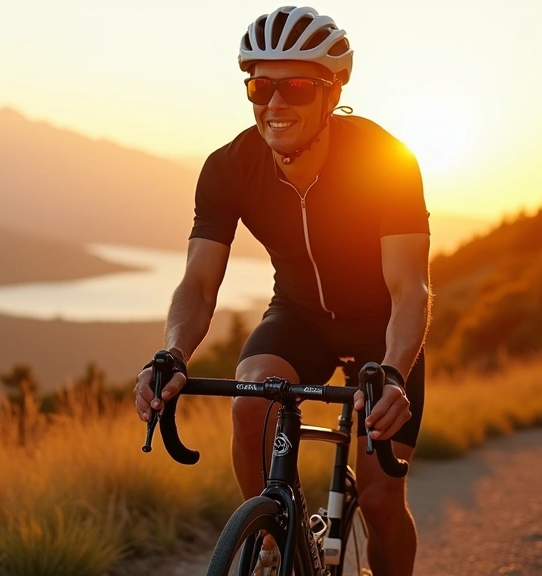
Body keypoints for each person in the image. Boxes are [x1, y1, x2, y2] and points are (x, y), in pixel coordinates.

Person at [133, 6, 430, 575]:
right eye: (260, 86)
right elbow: (198, 283)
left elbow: (409, 286)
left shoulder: (385, 160)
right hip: (299, 315)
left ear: (331, 89)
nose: (274, 103)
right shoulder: (229, 168)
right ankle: (273, 535)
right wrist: (173, 352)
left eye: (295, 86)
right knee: (251, 404)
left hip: (382, 323)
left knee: (379, 498)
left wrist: (393, 370)